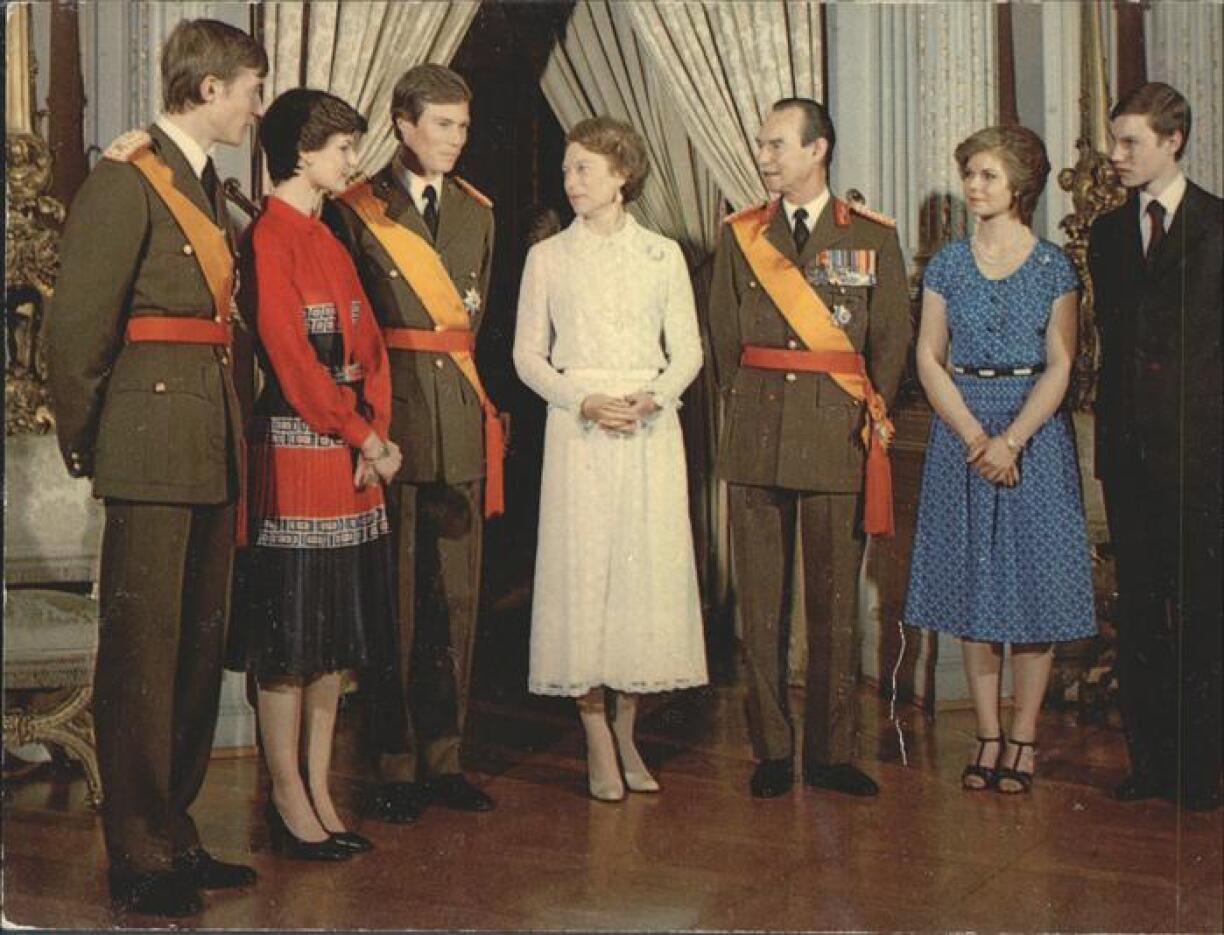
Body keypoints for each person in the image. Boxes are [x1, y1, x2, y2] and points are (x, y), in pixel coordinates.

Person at [46, 18, 266, 918]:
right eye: (250, 90)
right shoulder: (125, 179)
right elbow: (76, 331)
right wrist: (93, 442)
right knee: (144, 653)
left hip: (207, 437)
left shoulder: (205, 182)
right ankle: (136, 851)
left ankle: (172, 828)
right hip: (148, 443)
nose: (255, 107)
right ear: (210, 88)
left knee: (197, 647)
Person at [707, 98, 911, 800]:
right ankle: (771, 747)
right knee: (761, 603)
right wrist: (751, 410)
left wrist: (865, 417)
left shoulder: (873, 237)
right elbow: (724, 339)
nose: (764, 157)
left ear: (817, 149)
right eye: (762, 145)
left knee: (834, 604)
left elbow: (890, 342)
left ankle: (831, 752)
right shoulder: (741, 234)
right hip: (757, 434)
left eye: (776, 145)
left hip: (836, 434)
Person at [512, 116, 708, 801]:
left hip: (648, 433)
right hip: (581, 432)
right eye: (567, 170)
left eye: (584, 170)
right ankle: (594, 732)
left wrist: (654, 397)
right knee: (583, 579)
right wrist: (583, 400)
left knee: (639, 583)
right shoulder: (548, 258)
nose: (570, 182)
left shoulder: (662, 255)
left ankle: (627, 732)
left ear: (622, 175)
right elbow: (527, 356)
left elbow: (688, 351)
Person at [228, 88, 400, 863]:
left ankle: (322, 791)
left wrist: (375, 434)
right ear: (302, 152)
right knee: (291, 638)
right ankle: (288, 797)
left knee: (332, 640)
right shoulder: (268, 237)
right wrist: (363, 433)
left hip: (347, 456)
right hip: (298, 452)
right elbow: (293, 363)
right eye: (343, 148)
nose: (353, 162)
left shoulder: (330, 235)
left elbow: (373, 349)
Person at [324, 63, 499, 822]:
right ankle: (392, 762)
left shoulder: (477, 213)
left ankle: (445, 757)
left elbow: (472, 326)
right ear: (403, 125)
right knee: (392, 601)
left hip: (457, 422)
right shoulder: (357, 210)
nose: (455, 140)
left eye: (463, 127)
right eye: (442, 125)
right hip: (390, 425)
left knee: (454, 599)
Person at [903, 126, 1097, 794]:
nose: (974, 186)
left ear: (1020, 184)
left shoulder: (1053, 267)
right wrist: (973, 436)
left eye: (987, 175)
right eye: (969, 174)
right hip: (963, 429)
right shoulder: (947, 265)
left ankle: (1024, 737)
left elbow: (1062, 362)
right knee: (974, 587)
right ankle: (987, 735)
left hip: (1033, 433)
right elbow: (928, 356)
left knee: (1035, 589)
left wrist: (1010, 440)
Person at [1090, 83, 1222, 812]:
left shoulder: (1218, 227)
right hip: (1128, 456)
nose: (1115, 155)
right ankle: (1150, 762)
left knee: (1204, 609)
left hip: (1203, 457)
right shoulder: (1107, 234)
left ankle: (1204, 771)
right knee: (1139, 609)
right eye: (1114, 141)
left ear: (1173, 141)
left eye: (1130, 142)